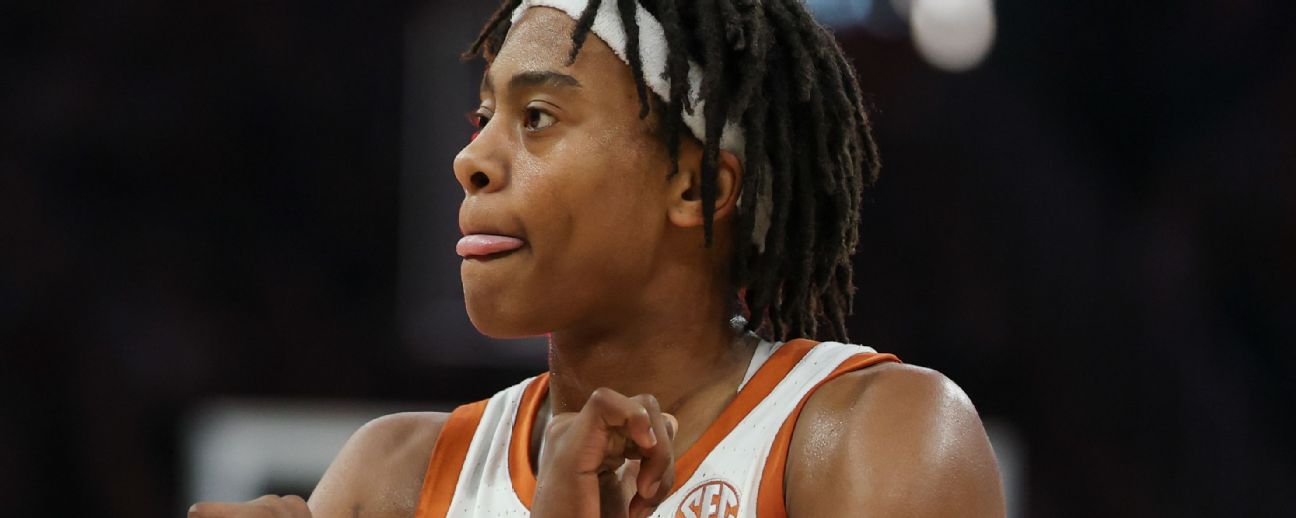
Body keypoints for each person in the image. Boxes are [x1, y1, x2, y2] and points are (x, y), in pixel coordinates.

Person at [189, 0, 1005, 516]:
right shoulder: (393, 478)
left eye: (538, 117)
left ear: (695, 187)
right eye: (483, 119)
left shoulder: (877, 437)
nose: (470, 161)